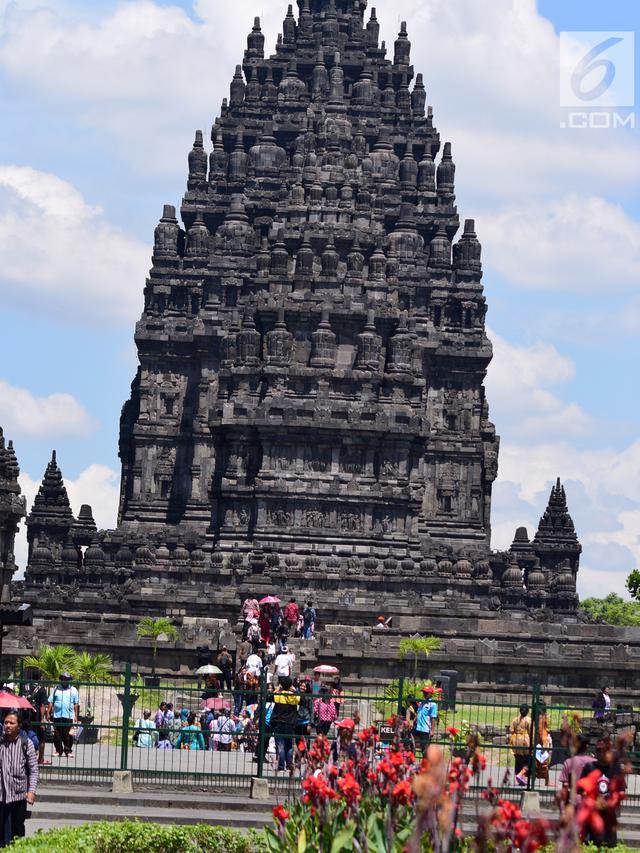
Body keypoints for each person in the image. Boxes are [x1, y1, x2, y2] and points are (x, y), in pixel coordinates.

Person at [0, 711, 39, 846]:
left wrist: (31, 791)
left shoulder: (26, 743)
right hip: (1, 796)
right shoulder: (0, 742)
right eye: (6, 722)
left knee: (17, 833)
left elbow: (34, 769)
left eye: (12, 723)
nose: (8, 726)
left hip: (18, 796)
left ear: (19, 726)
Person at [270, 676, 300, 772]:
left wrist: (277, 689)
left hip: (279, 723)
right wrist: (295, 691)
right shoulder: (294, 696)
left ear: (281, 685)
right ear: (291, 685)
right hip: (290, 724)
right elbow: (303, 700)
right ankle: (289, 765)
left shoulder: (278, 695)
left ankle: (281, 767)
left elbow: (268, 697)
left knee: (280, 745)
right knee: (289, 745)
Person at [47, 672, 79, 758]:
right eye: (63, 678)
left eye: (66, 679)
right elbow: (51, 701)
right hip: (57, 715)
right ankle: (58, 751)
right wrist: (48, 712)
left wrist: (76, 715)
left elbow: (76, 704)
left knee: (68, 735)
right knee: (57, 734)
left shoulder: (74, 690)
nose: (64, 680)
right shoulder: (56, 689)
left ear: (69, 680)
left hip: (68, 715)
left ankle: (68, 751)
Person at [509, 703, 532, 777]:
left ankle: (517, 773)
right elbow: (531, 732)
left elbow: (511, 730)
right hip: (525, 740)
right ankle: (522, 774)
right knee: (527, 758)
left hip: (516, 740)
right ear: (528, 711)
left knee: (518, 758)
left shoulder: (515, 719)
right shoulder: (529, 720)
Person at [414, 686, 438, 753]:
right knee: (413, 744)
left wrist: (432, 731)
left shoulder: (433, 704)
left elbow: (433, 718)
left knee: (425, 750)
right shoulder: (422, 702)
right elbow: (418, 713)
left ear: (431, 694)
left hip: (426, 729)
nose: (424, 694)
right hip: (418, 728)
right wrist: (414, 721)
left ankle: (426, 762)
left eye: (426, 693)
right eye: (424, 692)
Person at [534, 707, 553, 787]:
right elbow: (540, 730)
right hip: (543, 740)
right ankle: (546, 780)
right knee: (543, 761)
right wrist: (544, 742)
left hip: (541, 740)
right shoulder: (541, 717)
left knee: (541, 761)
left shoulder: (537, 717)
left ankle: (547, 780)